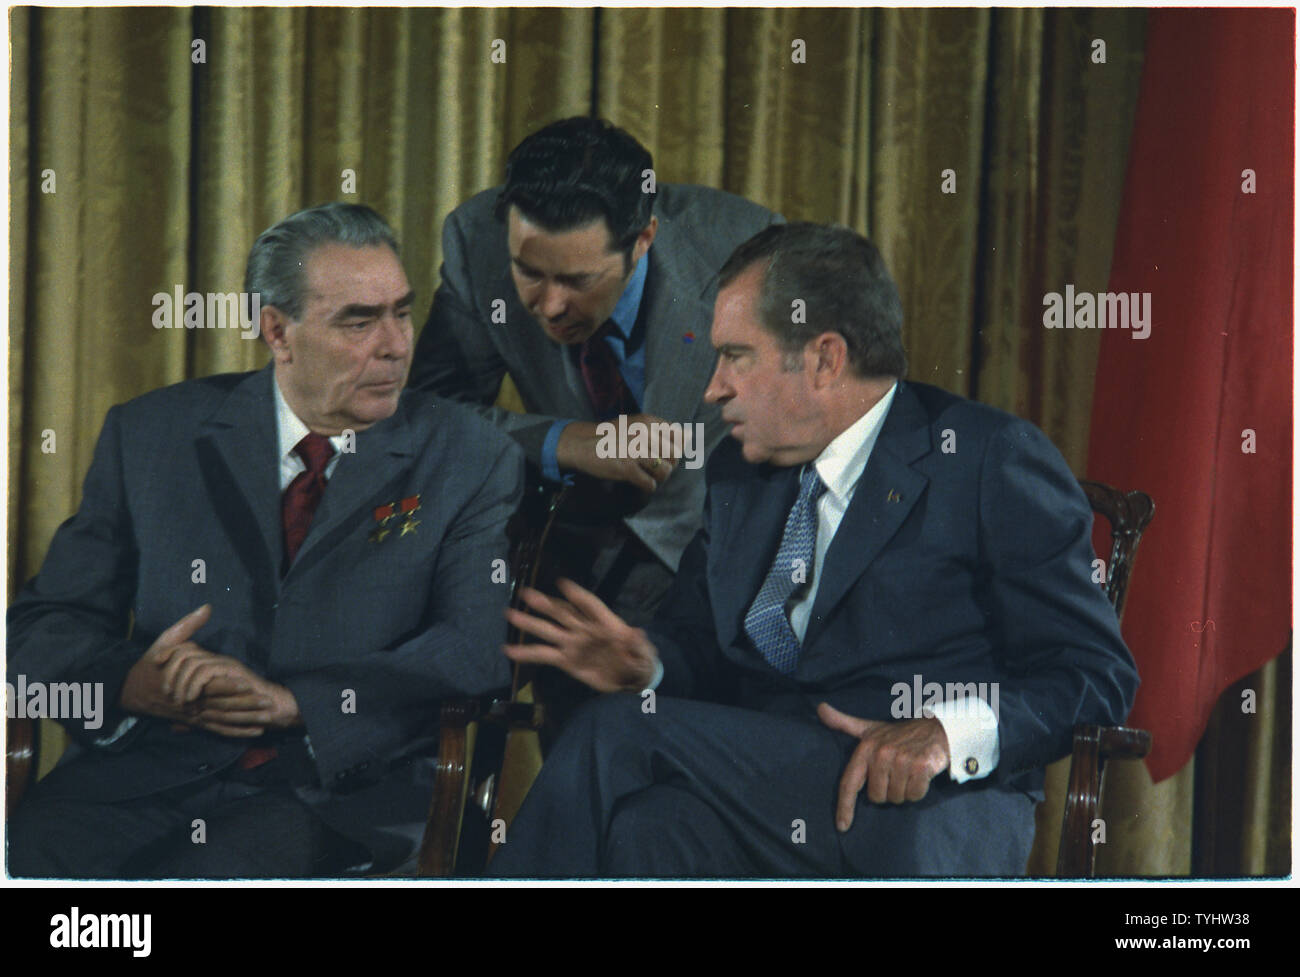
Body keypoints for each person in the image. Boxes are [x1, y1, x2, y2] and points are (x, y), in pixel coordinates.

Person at [489, 222, 1140, 878]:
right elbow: (699, 647)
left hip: (914, 801)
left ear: (825, 358)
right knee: (650, 826)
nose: (713, 388)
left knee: (613, 733)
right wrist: (648, 666)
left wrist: (947, 732)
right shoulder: (740, 475)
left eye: (736, 355)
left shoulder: (984, 457)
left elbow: (1094, 673)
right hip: (768, 788)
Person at [7, 203, 524, 878]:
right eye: (359, 321)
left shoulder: (467, 453)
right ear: (277, 329)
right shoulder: (154, 434)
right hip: (148, 772)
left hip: (335, 790)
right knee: (29, 859)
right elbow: (41, 626)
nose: (397, 345)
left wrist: (295, 703)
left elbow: (472, 647)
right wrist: (132, 682)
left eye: (402, 311)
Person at [409, 116, 779, 627]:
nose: (551, 305)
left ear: (643, 238)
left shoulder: (749, 251)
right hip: (560, 548)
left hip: (717, 561)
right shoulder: (476, 242)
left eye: (578, 279)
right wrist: (564, 441)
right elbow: (427, 416)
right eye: (529, 272)